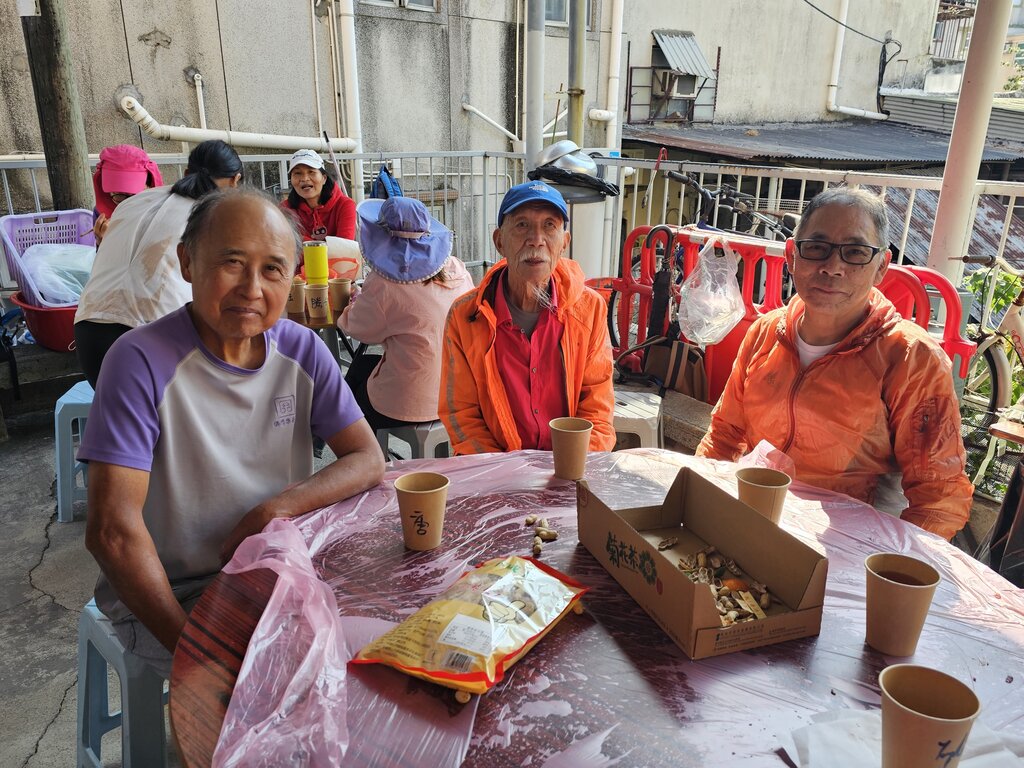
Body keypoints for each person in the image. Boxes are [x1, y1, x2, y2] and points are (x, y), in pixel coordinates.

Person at [79, 187, 385, 676]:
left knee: (389, 645)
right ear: (187, 262)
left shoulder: (303, 350)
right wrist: (196, 655)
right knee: (271, 682)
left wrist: (275, 508)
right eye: (232, 263)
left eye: (272, 269)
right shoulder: (138, 361)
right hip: (175, 589)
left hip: (276, 568)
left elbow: (366, 459)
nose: (252, 289)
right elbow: (112, 533)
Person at [696, 187, 973, 541]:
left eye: (855, 252)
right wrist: (700, 505)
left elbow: (939, 499)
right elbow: (724, 436)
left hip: (853, 544)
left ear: (881, 266)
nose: (832, 267)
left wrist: (882, 565)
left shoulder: (911, 358)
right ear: (792, 255)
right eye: (817, 247)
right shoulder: (766, 332)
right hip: (758, 521)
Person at [439, 180, 615, 455]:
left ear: (564, 243)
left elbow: (597, 409)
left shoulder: (589, 309)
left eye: (549, 226)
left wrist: (572, 467)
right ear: (500, 241)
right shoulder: (466, 315)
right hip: (495, 467)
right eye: (522, 225)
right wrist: (507, 473)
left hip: (571, 465)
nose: (536, 239)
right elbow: (462, 414)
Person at [74, 139, 243, 388]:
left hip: (88, 333)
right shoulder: (215, 215)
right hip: (149, 337)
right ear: (235, 181)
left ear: (187, 172)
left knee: (123, 413)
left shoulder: (131, 203)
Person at [338, 197, 474, 432]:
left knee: (351, 394)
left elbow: (357, 328)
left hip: (411, 404)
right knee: (362, 366)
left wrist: (354, 299)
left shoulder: (383, 284)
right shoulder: (457, 268)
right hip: (459, 395)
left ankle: (354, 444)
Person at [91, 144, 163, 246]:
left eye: (134, 195)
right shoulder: (101, 216)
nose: (127, 203)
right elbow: (101, 255)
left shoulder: (160, 213)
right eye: (119, 195)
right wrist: (102, 242)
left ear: (149, 185)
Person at [280, 149, 355, 242]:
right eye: (298, 173)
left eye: (311, 172)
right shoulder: (285, 209)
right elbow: (284, 243)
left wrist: (302, 241)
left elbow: (345, 246)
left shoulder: (345, 205)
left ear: (324, 178)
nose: (305, 179)